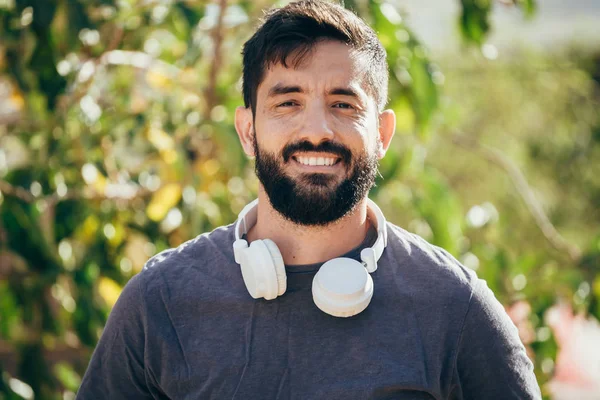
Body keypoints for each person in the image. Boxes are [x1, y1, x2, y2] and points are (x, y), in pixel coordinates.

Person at [77, 1, 542, 399]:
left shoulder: (455, 308)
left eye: (344, 104)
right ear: (247, 131)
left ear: (382, 134)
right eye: (287, 102)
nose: (317, 129)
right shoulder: (159, 303)